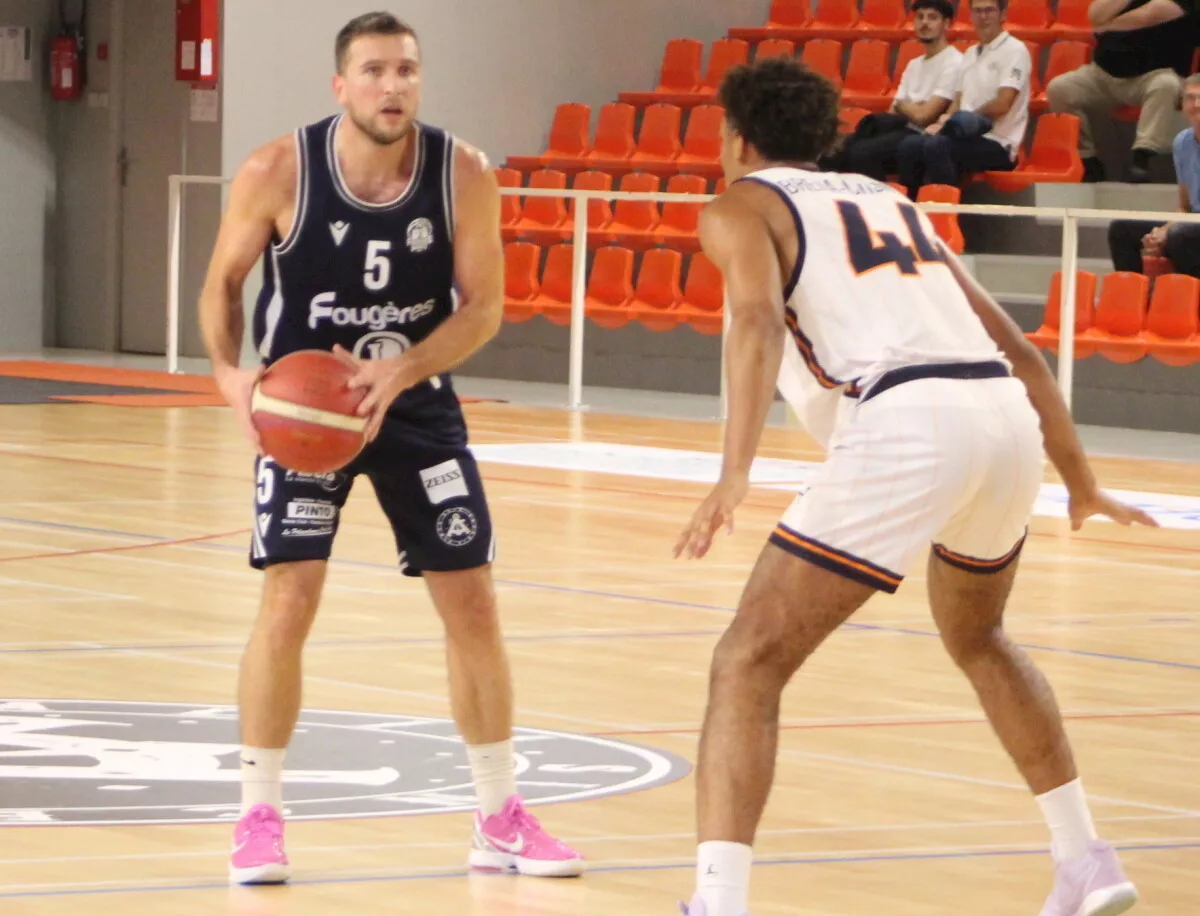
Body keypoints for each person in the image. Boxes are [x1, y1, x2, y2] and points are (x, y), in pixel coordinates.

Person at [672, 56, 1157, 916]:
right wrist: (1078, 483)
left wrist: (733, 473)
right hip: (1001, 418)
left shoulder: (740, 204)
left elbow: (751, 320)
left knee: (746, 662)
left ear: (736, 136)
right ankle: (1085, 858)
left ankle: (717, 902)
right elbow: (1023, 347)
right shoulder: (890, 199)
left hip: (906, 419)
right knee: (982, 638)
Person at [197, 11, 583, 885]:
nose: (392, 86)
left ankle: (499, 817)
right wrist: (231, 381)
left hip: (412, 403)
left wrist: (405, 369)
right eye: (373, 71)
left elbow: (483, 307)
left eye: (406, 70)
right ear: (341, 86)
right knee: (289, 602)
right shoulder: (276, 169)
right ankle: (258, 815)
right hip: (306, 413)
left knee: (474, 604)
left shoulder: (464, 174)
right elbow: (221, 285)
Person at [1047, 0, 1195, 183]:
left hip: (1154, 74)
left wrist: (1108, 25)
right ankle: (1087, 159)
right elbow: (1095, 15)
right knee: (1060, 89)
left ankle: (1143, 156)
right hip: (1102, 74)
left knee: (1166, 85)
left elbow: (1150, 15)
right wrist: (1103, 22)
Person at [896, 0, 1031, 198]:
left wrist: (967, 118)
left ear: (1002, 14)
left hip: (998, 142)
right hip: (964, 135)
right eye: (977, 11)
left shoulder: (1015, 50)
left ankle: (947, 214)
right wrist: (945, 121)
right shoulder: (969, 53)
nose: (983, 16)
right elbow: (958, 100)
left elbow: (1003, 103)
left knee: (937, 146)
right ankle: (914, 212)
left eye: (989, 10)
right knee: (910, 145)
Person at [819, 0, 962, 181]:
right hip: (902, 127)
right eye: (920, 17)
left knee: (862, 154)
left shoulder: (954, 62)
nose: (924, 23)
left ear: (946, 24)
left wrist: (907, 106)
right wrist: (911, 107)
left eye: (932, 18)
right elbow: (895, 109)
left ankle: (881, 204)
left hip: (920, 136)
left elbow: (924, 116)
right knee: (833, 151)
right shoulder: (914, 64)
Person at [1107, 75, 1200, 276]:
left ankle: (1190, 302)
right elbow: (1184, 207)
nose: (1197, 104)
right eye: (1190, 98)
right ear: (1182, 105)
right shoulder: (1182, 143)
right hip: (1193, 223)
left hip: (1192, 229)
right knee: (1122, 229)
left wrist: (1169, 233)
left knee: (1179, 236)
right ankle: (1134, 300)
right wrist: (1161, 232)